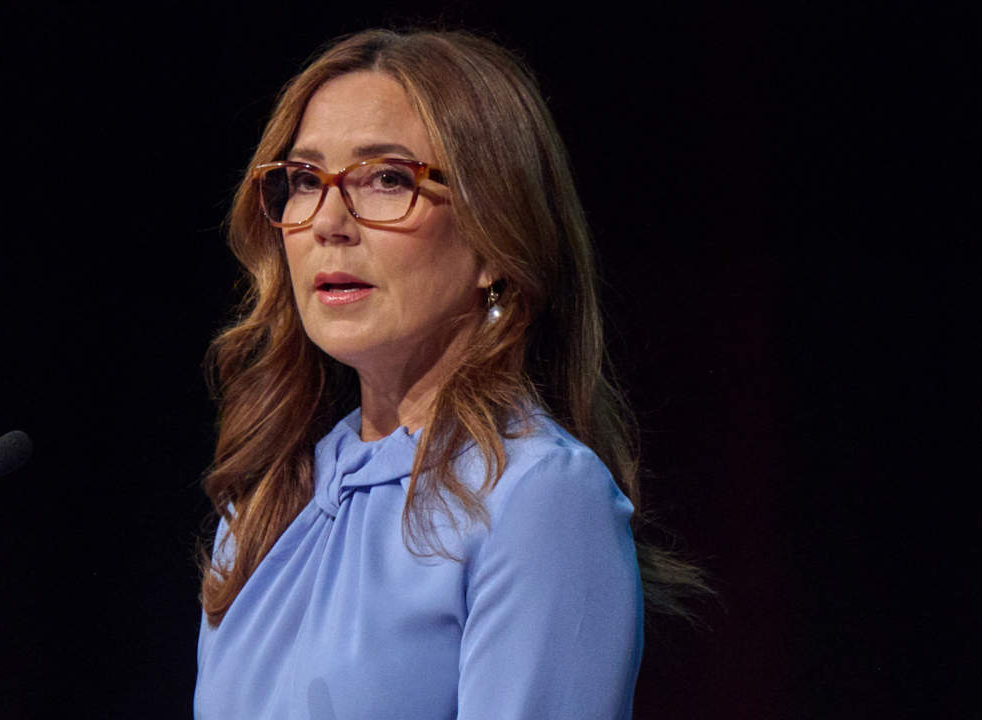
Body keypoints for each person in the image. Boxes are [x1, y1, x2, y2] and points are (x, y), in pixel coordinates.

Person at [194, 28, 705, 719]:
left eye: (388, 179)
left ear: (496, 238)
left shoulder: (537, 499)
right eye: (305, 181)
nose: (329, 222)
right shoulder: (263, 508)